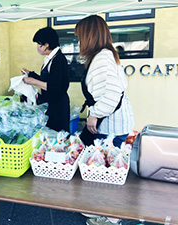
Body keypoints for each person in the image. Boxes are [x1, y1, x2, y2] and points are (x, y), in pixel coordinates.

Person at [75, 15, 134, 225]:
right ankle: (102, 209)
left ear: (88, 36)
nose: (79, 41)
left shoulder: (101, 58)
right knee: (105, 167)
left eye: (80, 36)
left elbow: (112, 94)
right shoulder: (106, 55)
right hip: (116, 123)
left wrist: (94, 114)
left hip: (111, 125)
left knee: (109, 170)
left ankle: (111, 217)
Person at [22, 27, 70, 132]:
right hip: (50, 103)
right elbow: (46, 80)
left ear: (46, 45)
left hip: (58, 106)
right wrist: (30, 74)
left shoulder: (58, 60)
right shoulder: (50, 58)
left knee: (57, 136)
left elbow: (54, 86)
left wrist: (32, 81)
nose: (37, 48)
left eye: (38, 44)